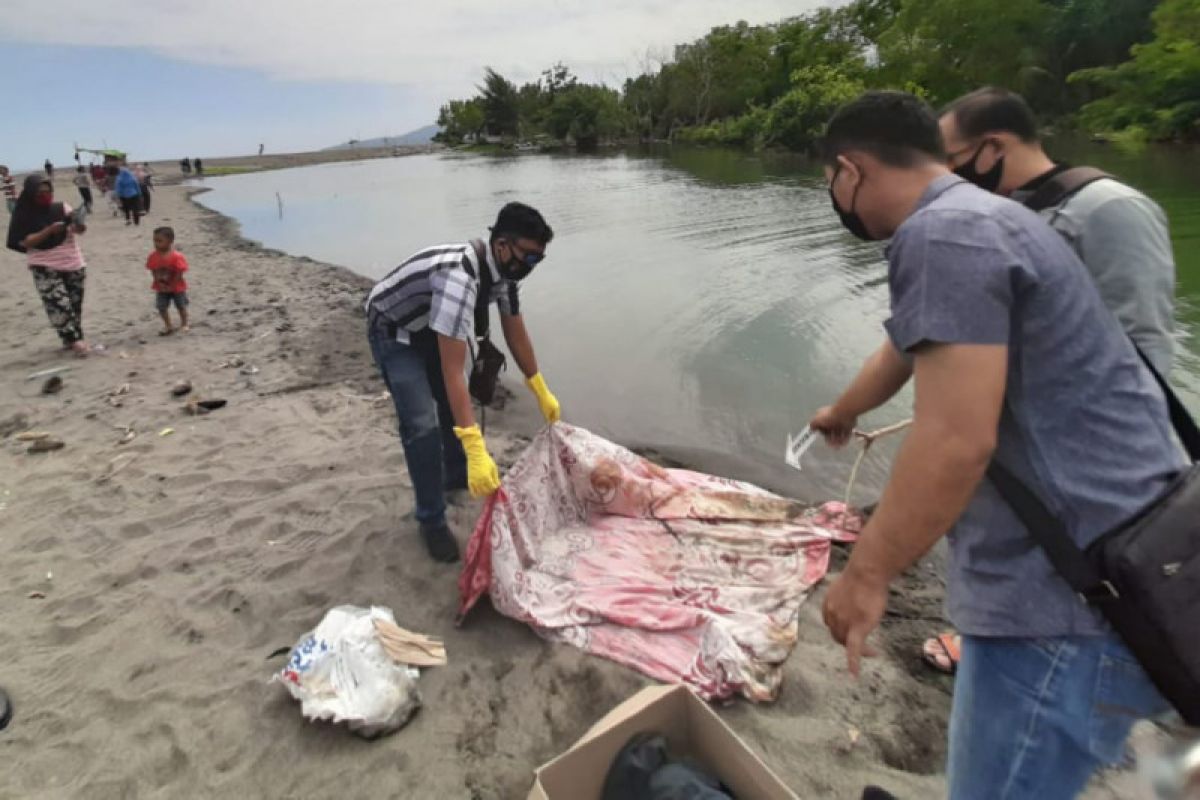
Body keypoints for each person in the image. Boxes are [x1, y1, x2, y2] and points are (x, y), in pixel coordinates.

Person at [811, 91, 1186, 799]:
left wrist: (867, 574)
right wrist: (842, 409)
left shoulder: (942, 236)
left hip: (1066, 600)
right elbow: (904, 345)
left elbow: (955, 440)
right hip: (1134, 562)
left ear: (849, 170)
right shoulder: (990, 217)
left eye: (829, 182)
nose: (834, 195)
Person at [915, 87, 1180, 676]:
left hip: (1090, 435)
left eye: (951, 160)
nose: (944, 178)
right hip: (1020, 427)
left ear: (991, 148)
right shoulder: (1013, 211)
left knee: (1093, 559)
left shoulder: (1110, 210)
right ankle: (984, 632)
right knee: (1005, 536)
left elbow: (1142, 339)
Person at [364, 202, 562, 563]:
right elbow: (455, 370)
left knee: (454, 406)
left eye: (539, 260)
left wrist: (538, 386)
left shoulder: (504, 273)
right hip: (394, 330)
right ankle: (431, 520)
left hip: (430, 324)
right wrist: (475, 445)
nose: (531, 267)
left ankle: (454, 478)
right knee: (422, 423)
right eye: (529, 257)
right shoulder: (461, 277)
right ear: (502, 244)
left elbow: (515, 332)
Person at [6, 175, 91, 354]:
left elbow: (78, 231)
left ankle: (70, 339)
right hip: (43, 265)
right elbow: (25, 242)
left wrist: (78, 224)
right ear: (30, 194)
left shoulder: (61, 208)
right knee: (58, 303)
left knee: (74, 305)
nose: (45, 196)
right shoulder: (23, 214)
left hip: (72, 262)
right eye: (40, 193)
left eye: (48, 192)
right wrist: (49, 230)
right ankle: (76, 341)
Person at [146, 226, 189, 335]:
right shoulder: (153, 256)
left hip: (177, 287)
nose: (156, 243)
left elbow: (180, 272)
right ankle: (168, 325)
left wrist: (173, 285)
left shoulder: (176, 256)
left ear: (170, 241)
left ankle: (184, 323)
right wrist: (158, 282)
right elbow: (153, 270)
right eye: (155, 241)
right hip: (161, 287)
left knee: (181, 305)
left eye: (160, 241)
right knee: (161, 306)